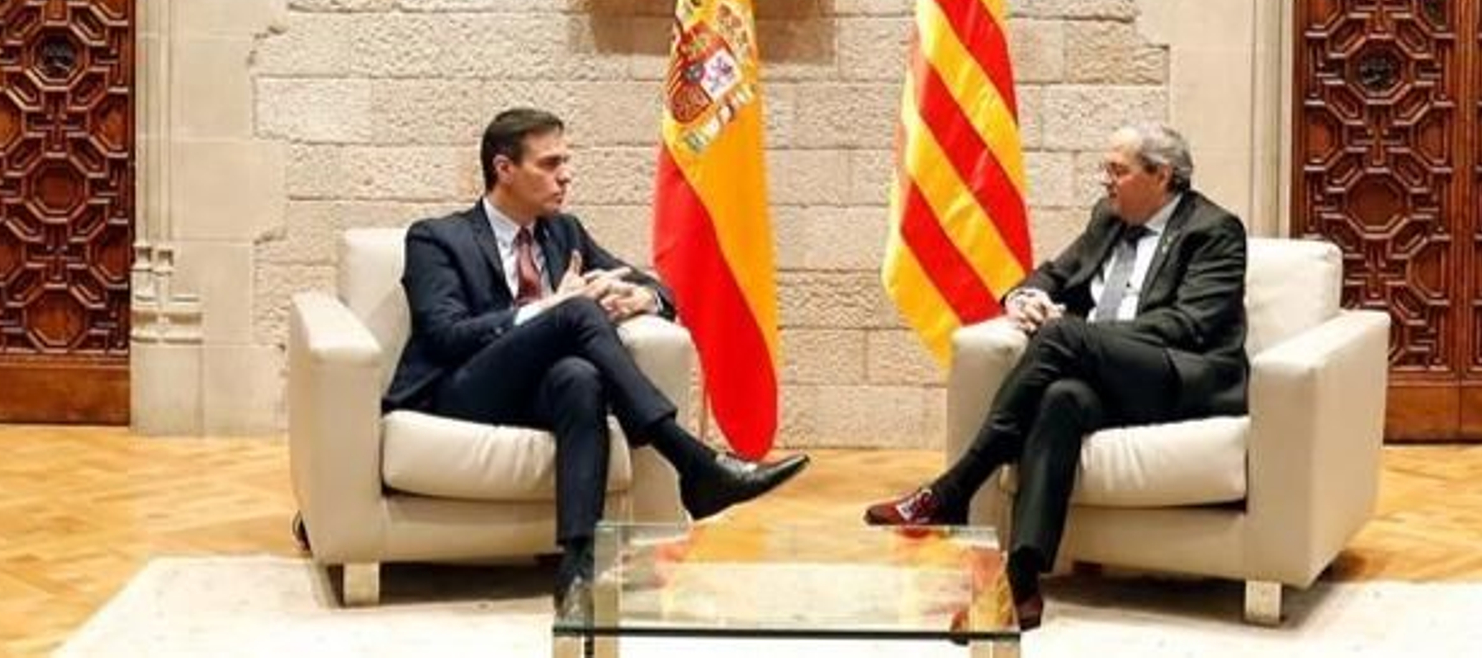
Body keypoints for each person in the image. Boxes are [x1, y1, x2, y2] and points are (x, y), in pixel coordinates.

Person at [384, 107, 809, 615]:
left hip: (541, 392)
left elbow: (654, 285)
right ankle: (692, 461)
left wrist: (644, 299)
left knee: (579, 377)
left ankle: (578, 572)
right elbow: (445, 336)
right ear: (504, 169)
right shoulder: (436, 238)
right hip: (463, 391)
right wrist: (550, 308)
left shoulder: (563, 232)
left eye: (566, 161)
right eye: (550, 163)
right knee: (577, 311)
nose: (566, 175)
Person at [863, 123, 1248, 631]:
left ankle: (954, 488)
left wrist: (1088, 338)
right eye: (1105, 169)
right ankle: (1021, 581)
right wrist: (1024, 297)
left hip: (1178, 379)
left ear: (1161, 176)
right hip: (1104, 377)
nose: (1105, 180)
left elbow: (1189, 325)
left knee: (1063, 336)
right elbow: (1056, 272)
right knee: (1060, 399)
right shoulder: (1109, 217)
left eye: (1118, 170)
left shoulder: (1215, 230)